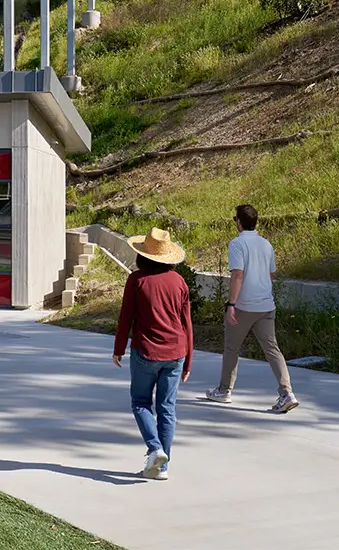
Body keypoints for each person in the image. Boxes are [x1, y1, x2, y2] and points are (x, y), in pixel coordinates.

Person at [112, 227, 193, 482]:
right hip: (176, 352)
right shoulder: (179, 282)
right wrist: (189, 359)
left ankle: (155, 449)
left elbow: (126, 317)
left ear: (142, 255)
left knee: (140, 402)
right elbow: (186, 323)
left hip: (146, 351)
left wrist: (118, 349)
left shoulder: (136, 280)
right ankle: (163, 467)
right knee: (167, 408)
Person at [205, 204, 298, 413]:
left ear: (238, 221)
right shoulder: (266, 244)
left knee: (231, 347)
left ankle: (224, 390)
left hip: (244, 306)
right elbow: (271, 275)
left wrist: (231, 304)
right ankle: (286, 393)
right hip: (266, 305)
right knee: (272, 349)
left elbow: (238, 275)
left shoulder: (237, 244)